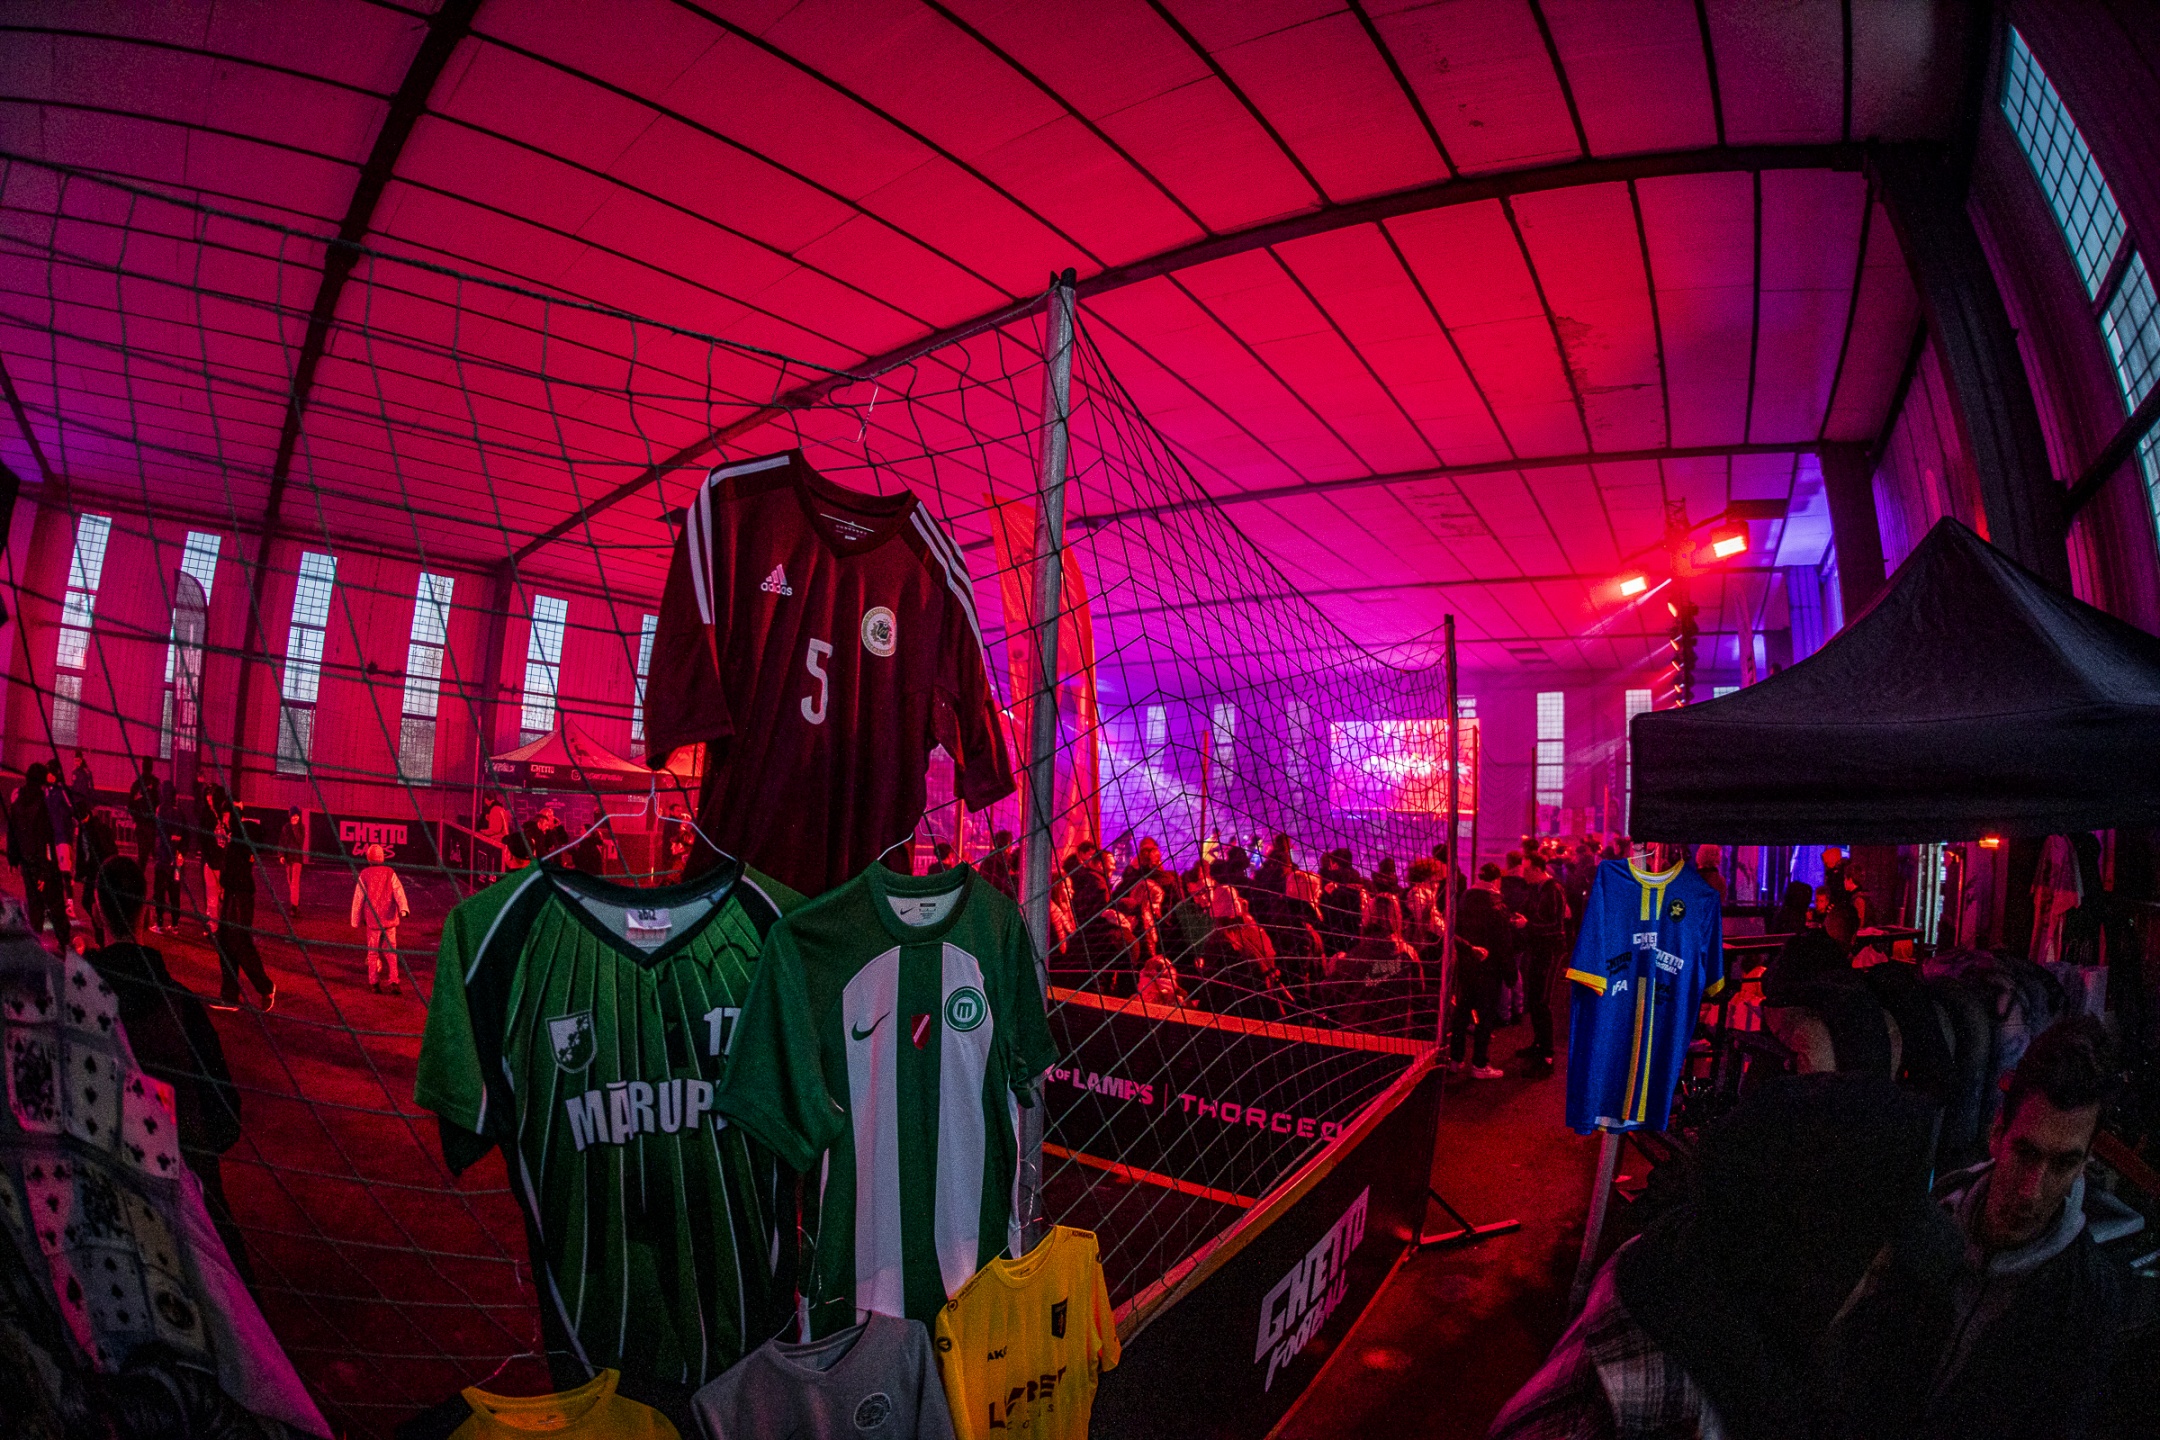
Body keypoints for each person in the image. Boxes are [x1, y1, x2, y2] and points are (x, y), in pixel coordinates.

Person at [1492, 1074, 1949, 1440]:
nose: (1876, 1282)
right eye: (1873, 1261)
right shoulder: (1637, 1411)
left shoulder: (1688, 1270)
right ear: (1808, 1257)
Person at [1850, 1016, 2124, 1440]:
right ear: (1997, 1132)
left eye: (2063, 1164)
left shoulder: (2087, 1300)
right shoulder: (1930, 1222)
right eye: (2025, 1153)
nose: (2032, 1191)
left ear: (2085, 1164)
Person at [85, 856, 249, 1279]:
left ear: (98, 910)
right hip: (184, 1206)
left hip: (98, 1212)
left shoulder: (77, 1006)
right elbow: (225, 1117)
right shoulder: (181, 1006)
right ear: (144, 909)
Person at [1446, 864, 1515, 1078]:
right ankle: (1479, 1063)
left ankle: (1455, 1059)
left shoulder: (1464, 898)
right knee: (1486, 1017)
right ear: (1496, 880)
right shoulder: (1497, 905)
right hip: (1489, 968)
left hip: (1467, 964)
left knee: (1462, 1012)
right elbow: (1504, 943)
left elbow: (1455, 929)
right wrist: (1510, 973)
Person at [210, 801, 274, 1012]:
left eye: (226, 815)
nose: (224, 820)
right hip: (233, 893)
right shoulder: (235, 836)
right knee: (225, 942)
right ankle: (229, 997)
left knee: (239, 942)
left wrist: (236, 814)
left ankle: (266, 987)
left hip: (241, 896)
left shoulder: (243, 831)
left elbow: (254, 840)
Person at [1329, 894, 1421, 1035]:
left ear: (1367, 917)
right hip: (1396, 1034)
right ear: (1398, 917)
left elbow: (1332, 994)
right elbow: (1419, 991)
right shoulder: (1408, 954)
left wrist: (1333, 967)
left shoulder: (1356, 955)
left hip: (1356, 1033)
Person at [1517, 851, 1571, 1076]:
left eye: (1526, 870)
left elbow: (1556, 926)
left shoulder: (1553, 889)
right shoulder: (1537, 889)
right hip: (1539, 949)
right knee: (1535, 998)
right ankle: (1539, 1044)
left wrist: (1527, 926)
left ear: (1538, 869)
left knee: (1542, 1000)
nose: (1523, 874)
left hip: (1550, 952)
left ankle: (1547, 1055)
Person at [7, 764, 70, 951]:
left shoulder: (18, 803)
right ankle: (64, 944)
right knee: (56, 904)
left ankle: (34, 946)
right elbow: (46, 840)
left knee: (34, 904)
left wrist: (13, 858)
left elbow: (12, 832)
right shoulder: (41, 804)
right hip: (43, 864)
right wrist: (45, 871)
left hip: (27, 863)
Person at [349, 842, 410, 993]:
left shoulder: (365, 874)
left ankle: (374, 983)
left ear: (369, 858)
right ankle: (394, 980)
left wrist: (355, 920)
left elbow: (358, 898)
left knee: (372, 953)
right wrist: (403, 909)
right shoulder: (390, 872)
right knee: (391, 952)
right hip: (389, 919)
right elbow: (399, 891)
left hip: (373, 921)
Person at [151, 791, 185, 934]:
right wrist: (181, 853)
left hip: (164, 859)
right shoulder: (179, 813)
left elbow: (161, 837)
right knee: (174, 892)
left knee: (160, 892)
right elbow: (185, 835)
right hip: (176, 860)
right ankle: (175, 924)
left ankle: (159, 924)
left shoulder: (162, 811)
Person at [126, 756, 161, 868]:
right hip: (152, 824)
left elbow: (130, 805)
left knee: (142, 857)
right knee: (158, 857)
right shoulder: (156, 784)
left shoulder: (137, 784)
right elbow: (160, 803)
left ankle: (138, 877)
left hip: (142, 824)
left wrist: (135, 819)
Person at [276, 805, 306, 914]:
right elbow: (282, 842)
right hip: (288, 859)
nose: (295, 817)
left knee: (294, 883)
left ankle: (294, 906)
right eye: (293, 815)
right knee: (290, 882)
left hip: (297, 858)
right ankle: (294, 903)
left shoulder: (301, 827)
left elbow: (300, 840)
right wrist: (281, 855)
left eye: (297, 815)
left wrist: (294, 827)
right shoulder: (286, 828)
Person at [476, 790, 512, 874]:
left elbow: (495, 829)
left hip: (498, 842)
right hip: (503, 840)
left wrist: (481, 832)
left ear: (486, 799)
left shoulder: (495, 809)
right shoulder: (501, 809)